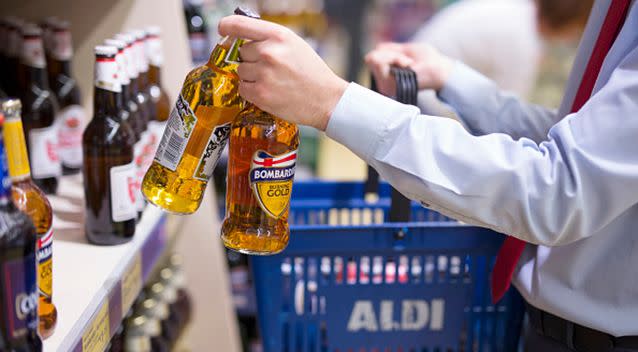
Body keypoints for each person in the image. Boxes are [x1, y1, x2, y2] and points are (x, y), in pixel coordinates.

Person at [219, 0, 638, 350]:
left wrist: (335, 104)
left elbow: (559, 188)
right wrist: (456, 82)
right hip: (540, 325)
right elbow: (574, 142)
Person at [411, 0, 594, 115]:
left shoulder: (517, 11)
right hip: (425, 101)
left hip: (422, 88)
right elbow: (508, 113)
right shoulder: (522, 39)